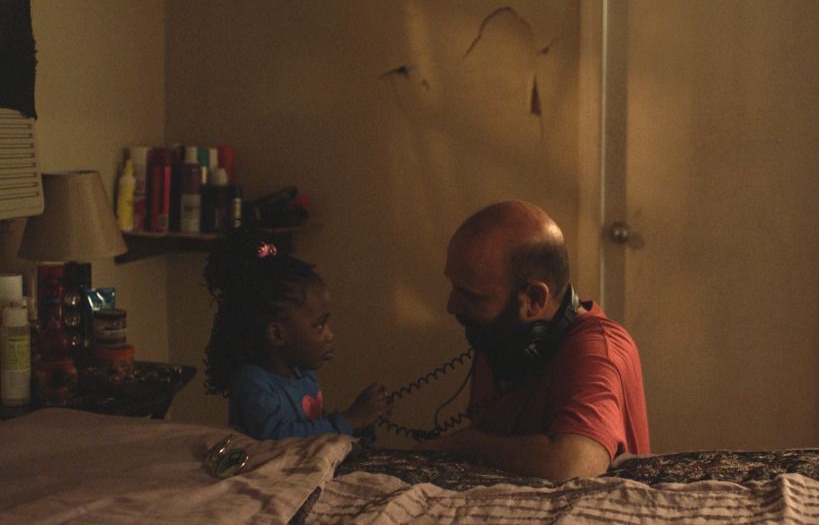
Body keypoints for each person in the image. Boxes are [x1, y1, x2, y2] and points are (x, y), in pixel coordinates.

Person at [418, 200, 650, 480]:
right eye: (454, 287)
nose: (452, 306)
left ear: (535, 299)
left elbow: (572, 466)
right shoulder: (503, 337)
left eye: (473, 297)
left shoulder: (600, 349)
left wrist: (465, 444)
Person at [203, 227, 389, 440]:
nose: (330, 335)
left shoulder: (304, 376)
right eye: (319, 326)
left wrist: (363, 422)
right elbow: (278, 438)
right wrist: (349, 421)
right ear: (277, 334)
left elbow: (311, 429)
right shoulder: (253, 383)